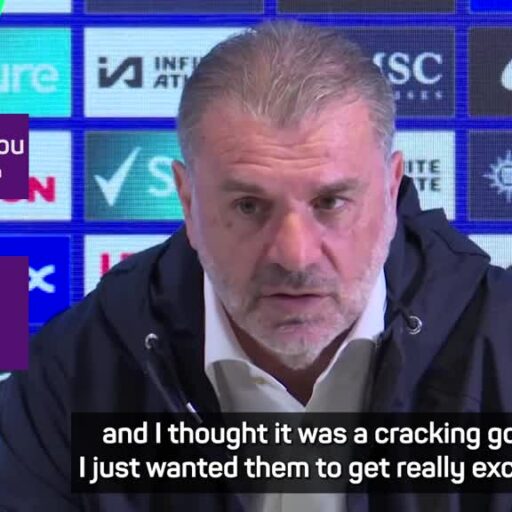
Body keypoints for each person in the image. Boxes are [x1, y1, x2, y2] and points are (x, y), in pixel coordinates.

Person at [1, 20, 511, 512]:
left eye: (331, 202)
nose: (295, 255)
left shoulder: (502, 347)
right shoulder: (69, 374)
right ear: (187, 202)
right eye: (249, 206)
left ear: (391, 188)